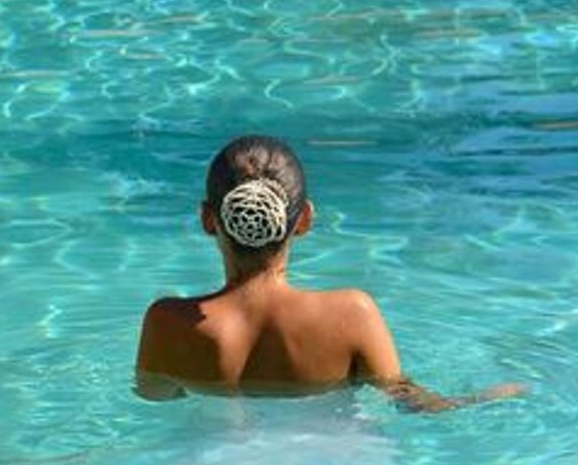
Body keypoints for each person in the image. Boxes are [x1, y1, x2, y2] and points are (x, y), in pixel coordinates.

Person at [135, 135, 525, 411]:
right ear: (304, 219)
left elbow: (154, 401)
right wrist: (489, 397)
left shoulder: (166, 323)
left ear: (208, 219)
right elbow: (415, 404)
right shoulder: (351, 315)